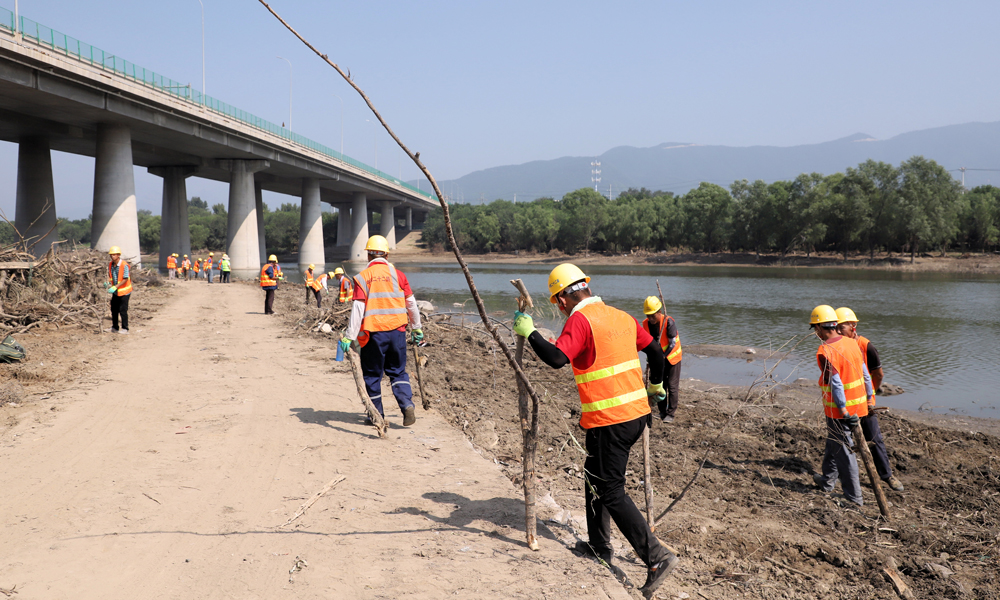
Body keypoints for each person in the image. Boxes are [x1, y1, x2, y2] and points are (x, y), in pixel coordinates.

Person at [512, 263, 678, 599]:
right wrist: (656, 386)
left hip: (611, 420)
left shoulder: (580, 319)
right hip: (635, 416)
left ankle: (656, 556)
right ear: (586, 286)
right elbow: (657, 353)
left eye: (558, 302)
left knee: (611, 489)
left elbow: (558, 359)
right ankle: (599, 546)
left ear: (561, 299)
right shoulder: (620, 316)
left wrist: (530, 333)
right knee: (594, 476)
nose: (559, 307)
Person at [339, 235, 422, 427]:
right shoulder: (399, 275)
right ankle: (407, 404)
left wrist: (349, 336)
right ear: (386, 254)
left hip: (374, 334)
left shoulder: (363, 277)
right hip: (398, 331)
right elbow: (411, 303)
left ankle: (377, 415)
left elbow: (358, 309)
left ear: (369, 255)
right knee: (398, 372)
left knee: (372, 375)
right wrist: (416, 328)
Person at [810, 304, 874, 506]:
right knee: (834, 444)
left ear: (820, 328)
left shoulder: (827, 349)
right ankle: (827, 482)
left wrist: (844, 410)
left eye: (815, 328)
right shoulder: (851, 343)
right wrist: (870, 397)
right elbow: (865, 373)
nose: (815, 333)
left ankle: (854, 498)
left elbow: (836, 383)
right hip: (859, 407)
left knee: (844, 452)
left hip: (840, 412)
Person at [836, 307, 904, 492]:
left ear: (853, 326)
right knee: (839, 439)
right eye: (835, 326)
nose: (838, 330)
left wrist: (869, 394)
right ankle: (832, 477)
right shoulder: (837, 345)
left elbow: (878, 374)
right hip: (844, 402)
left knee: (874, 438)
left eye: (841, 326)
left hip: (865, 402)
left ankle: (887, 476)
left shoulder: (866, 346)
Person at [640, 296, 683, 423]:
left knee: (672, 386)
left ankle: (671, 414)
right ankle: (662, 411)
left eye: (653, 315)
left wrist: (663, 357)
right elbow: (646, 343)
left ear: (660, 312)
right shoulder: (645, 324)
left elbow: (672, 343)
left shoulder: (668, 322)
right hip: (658, 360)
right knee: (659, 385)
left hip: (673, 358)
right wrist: (651, 356)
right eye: (648, 316)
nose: (651, 319)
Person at [106, 246, 133, 335]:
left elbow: (125, 278)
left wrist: (115, 287)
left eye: (114, 254)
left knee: (123, 310)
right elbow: (111, 276)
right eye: (111, 254)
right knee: (114, 309)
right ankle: (115, 327)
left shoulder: (124, 265)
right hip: (116, 291)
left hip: (125, 291)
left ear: (118, 255)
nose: (112, 256)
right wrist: (108, 282)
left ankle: (125, 328)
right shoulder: (111, 264)